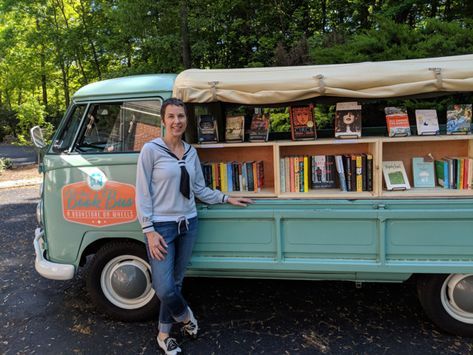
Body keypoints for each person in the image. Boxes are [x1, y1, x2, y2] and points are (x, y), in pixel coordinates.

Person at [135, 98, 252, 355]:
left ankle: (164, 335)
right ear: (163, 121)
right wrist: (149, 231)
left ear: (186, 120)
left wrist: (226, 198)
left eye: (181, 116)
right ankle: (187, 317)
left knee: (176, 282)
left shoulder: (190, 152)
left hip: (188, 223)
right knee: (163, 286)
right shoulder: (151, 150)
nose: (177, 121)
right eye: (172, 117)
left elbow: (198, 188)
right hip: (162, 228)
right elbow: (142, 193)